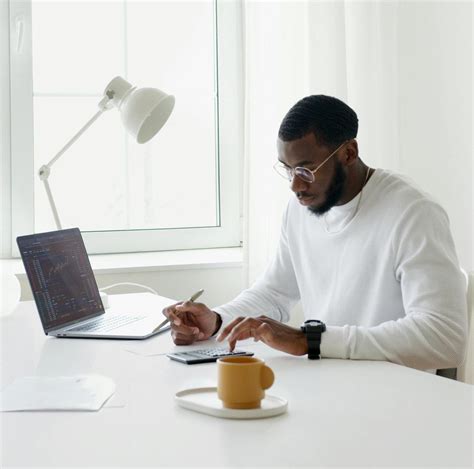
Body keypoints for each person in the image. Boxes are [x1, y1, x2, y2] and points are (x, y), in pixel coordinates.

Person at [163, 95, 467, 371]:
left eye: (306, 170)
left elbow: (444, 338)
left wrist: (311, 340)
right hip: (328, 381)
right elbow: (274, 292)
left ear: (349, 152)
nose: (295, 186)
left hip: (396, 395)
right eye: (288, 169)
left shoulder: (413, 213)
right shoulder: (302, 208)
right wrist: (216, 321)